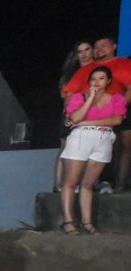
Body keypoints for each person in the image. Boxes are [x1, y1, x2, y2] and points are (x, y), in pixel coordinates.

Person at [59, 67, 126, 235]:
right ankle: (68, 221)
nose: (96, 82)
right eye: (93, 78)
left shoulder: (116, 98)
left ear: (108, 81)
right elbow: (75, 118)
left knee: (88, 184)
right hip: (81, 138)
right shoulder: (79, 97)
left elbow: (116, 120)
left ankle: (87, 222)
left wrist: (85, 123)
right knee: (71, 181)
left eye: (101, 78)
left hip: (103, 139)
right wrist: (90, 99)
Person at [63, 37, 131, 192]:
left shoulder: (124, 64)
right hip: (87, 113)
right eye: (96, 46)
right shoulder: (86, 69)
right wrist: (71, 114)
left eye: (104, 45)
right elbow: (70, 93)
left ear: (114, 46)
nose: (99, 48)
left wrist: (119, 107)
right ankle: (79, 184)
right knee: (81, 148)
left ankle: (114, 183)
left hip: (117, 111)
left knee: (119, 146)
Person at [54, 40, 95, 193]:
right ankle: (58, 184)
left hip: (92, 116)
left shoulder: (98, 71)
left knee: (86, 150)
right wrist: (70, 116)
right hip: (71, 115)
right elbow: (66, 97)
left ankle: (78, 184)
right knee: (65, 147)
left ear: (93, 50)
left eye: (87, 49)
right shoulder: (71, 74)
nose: (84, 54)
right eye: (80, 51)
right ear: (76, 55)